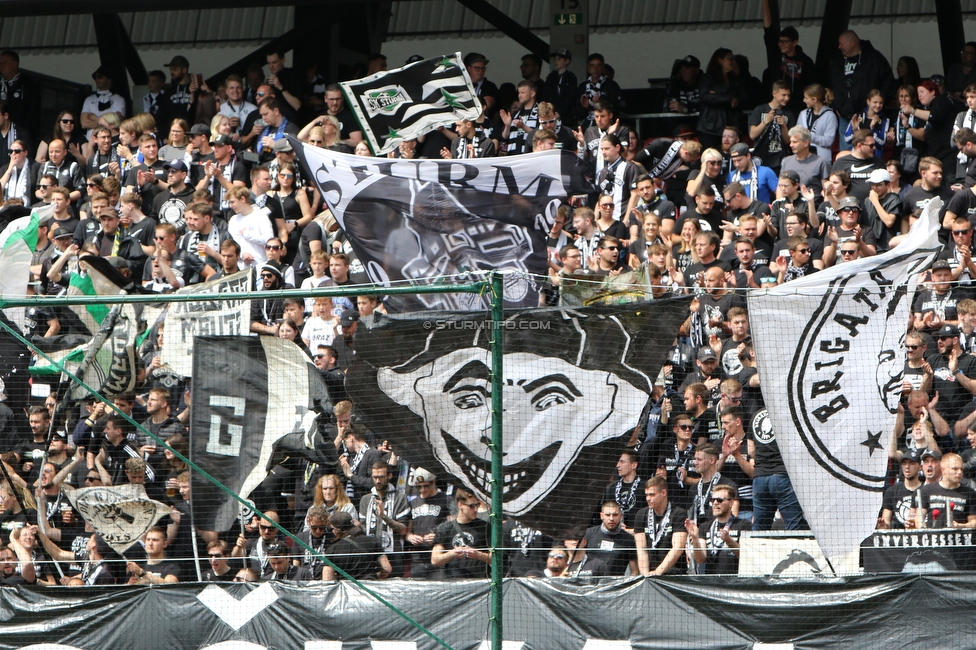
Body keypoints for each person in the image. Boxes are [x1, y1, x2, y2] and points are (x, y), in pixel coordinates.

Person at [829, 30, 895, 147]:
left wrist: (876, 104)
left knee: (867, 148)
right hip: (845, 116)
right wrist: (836, 105)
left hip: (868, 115)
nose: (839, 47)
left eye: (841, 43)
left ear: (852, 43)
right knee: (846, 155)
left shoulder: (874, 58)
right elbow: (833, 85)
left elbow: (888, 83)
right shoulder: (838, 61)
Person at [685, 484, 750, 574]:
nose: (715, 503)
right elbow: (701, 559)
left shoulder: (744, 525)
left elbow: (746, 555)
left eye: (719, 500)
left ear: (731, 503)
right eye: (713, 500)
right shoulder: (705, 527)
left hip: (736, 582)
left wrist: (729, 541)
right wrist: (695, 540)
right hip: (712, 583)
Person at [761, 16, 817, 114]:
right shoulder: (776, 56)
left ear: (795, 42)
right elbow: (768, 31)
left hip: (797, 108)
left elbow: (811, 86)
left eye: (785, 41)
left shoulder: (806, 62)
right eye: (780, 41)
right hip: (776, 106)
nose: (781, 44)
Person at [431, 488, 490, 578]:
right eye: (471, 506)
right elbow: (435, 560)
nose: (476, 509)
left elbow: (496, 559)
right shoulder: (445, 528)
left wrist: (478, 555)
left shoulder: (485, 527)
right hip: (453, 582)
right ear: (460, 504)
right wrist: (452, 553)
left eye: (477, 505)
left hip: (479, 583)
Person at [633, 476, 687, 576]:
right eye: (646, 495)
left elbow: (678, 547)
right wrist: (645, 575)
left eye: (652, 495)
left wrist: (658, 572)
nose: (648, 498)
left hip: (674, 574)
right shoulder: (641, 515)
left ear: (663, 493)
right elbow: (641, 549)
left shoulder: (679, 514)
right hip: (649, 573)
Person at [322, 511, 391, 580]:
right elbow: (387, 569)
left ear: (337, 530)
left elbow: (327, 579)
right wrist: (375, 577)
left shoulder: (332, 550)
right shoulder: (372, 541)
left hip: (346, 589)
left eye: (332, 529)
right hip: (369, 587)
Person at [697, 48, 742, 151]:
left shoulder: (735, 79)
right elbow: (704, 97)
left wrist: (717, 95)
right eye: (730, 58)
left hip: (730, 123)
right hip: (710, 127)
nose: (733, 61)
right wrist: (728, 98)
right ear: (720, 60)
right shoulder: (708, 78)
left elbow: (742, 96)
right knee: (711, 155)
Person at [748, 80, 795, 173]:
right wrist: (766, 121)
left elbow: (788, 141)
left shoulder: (789, 114)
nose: (786, 98)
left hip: (780, 159)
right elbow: (752, 135)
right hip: (761, 158)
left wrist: (784, 126)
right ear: (774, 93)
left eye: (788, 95)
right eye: (784, 95)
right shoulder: (760, 109)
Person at [920, 453, 976, 528]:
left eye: (961, 469)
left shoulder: (969, 492)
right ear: (943, 470)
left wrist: (960, 526)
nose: (959, 472)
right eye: (955, 469)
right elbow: (919, 518)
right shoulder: (927, 490)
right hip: (933, 537)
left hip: (958, 537)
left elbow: (973, 522)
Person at [581, 501, 636, 576]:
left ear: (620, 516)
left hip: (615, 584)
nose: (611, 518)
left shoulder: (628, 539)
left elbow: (635, 571)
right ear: (601, 516)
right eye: (608, 515)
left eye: (615, 515)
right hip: (590, 583)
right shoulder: (589, 533)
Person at [830, 129, 881, 202]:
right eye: (871, 145)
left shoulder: (879, 163)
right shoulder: (841, 163)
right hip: (848, 210)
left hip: (873, 208)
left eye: (874, 145)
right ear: (859, 146)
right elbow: (831, 187)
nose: (874, 148)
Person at [880, 449, 924, 529]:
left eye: (912, 463)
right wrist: (883, 526)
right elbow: (886, 521)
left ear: (920, 467)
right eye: (904, 463)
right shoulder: (892, 491)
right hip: (899, 538)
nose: (907, 466)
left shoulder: (925, 490)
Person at [781, 126, 831, 194]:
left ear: (806, 143)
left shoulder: (821, 162)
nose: (791, 145)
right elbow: (780, 187)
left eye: (794, 142)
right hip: (789, 203)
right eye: (790, 142)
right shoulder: (786, 161)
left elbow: (826, 190)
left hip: (813, 202)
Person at [601, 450, 643, 528]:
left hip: (637, 535)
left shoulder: (645, 487)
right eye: (618, 462)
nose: (617, 465)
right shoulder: (611, 488)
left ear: (634, 465)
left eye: (622, 462)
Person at [543, 48, 578, 128]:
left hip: (567, 117)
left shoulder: (571, 77)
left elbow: (570, 97)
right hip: (551, 114)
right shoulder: (551, 77)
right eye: (555, 59)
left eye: (559, 59)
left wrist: (560, 112)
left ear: (567, 61)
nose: (556, 61)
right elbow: (546, 94)